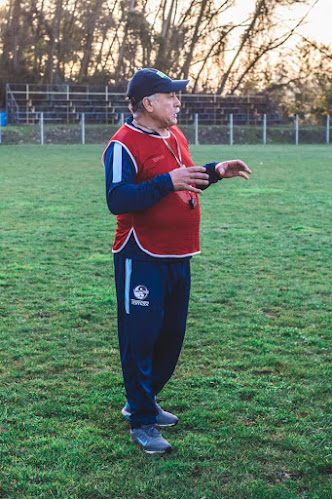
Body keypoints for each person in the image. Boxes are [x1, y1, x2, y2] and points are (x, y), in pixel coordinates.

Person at [103, 68, 251, 455]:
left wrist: (216, 171)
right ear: (148, 103)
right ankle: (141, 421)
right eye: (171, 96)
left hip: (179, 253)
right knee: (141, 339)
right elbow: (117, 199)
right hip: (141, 255)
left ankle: (143, 400)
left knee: (171, 336)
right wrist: (167, 182)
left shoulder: (176, 135)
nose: (178, 101)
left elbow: (184, 178)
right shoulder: (122, 144)